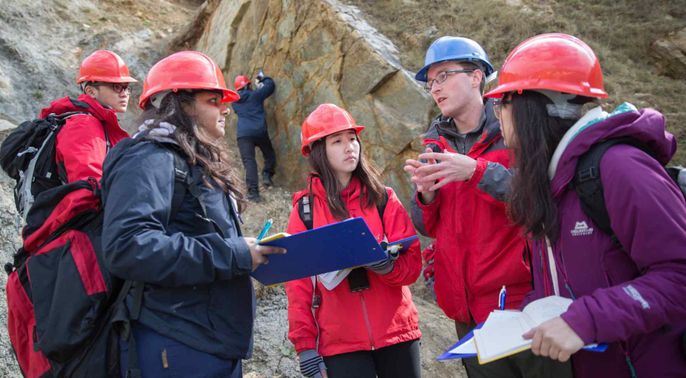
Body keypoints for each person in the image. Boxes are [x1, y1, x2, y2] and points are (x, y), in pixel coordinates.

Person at [484, 33, 686, 377]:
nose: (497, 114)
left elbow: (679, 275)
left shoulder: (619, 167)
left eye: (502, 102)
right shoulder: (549, 181)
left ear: (530, 106)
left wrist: (586, 320)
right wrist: (535, 311)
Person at [101, 51, 285, 377]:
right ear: (181, 103)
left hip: (208, 339)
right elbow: (128, 246)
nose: (225, 107)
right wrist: (234, 253)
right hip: (176, 341)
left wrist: (245, 253)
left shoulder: (191, 159)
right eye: (213, 99)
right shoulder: (150, 156)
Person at [404, 37, 557, 377]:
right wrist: (425, 196)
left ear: (476, 77)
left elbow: (540, 194)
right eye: (431, 82)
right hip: (465, 311)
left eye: (443, 75)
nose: (435, 88)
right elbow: (427, 227)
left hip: (522, 305)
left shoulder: (516, 130)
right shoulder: (434, 144)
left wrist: (475, 171)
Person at [285, 104, 422, 378]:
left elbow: (412, 267)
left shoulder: (383, 199)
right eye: (337, 141)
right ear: (318, 151)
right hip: (340, 345)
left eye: (352, 138)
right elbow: (298, 286)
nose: (350, 147)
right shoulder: (305, 211)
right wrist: (306, 348)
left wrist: (386, 266)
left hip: (397, 334)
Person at [43, 49, 135, 184]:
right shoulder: (83, 125)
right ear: (91, 91)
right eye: (116, 87)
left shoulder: (100, 122)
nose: (124, 93)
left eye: (126, 87)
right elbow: (86, 187)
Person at [232, 71, 277, 202]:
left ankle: (253, 193)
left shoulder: (235, 102)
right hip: (259, 132)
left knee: (249, 163)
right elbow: (270, 86)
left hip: (243, 135)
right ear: (247, 86)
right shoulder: (255, 95)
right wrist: (262, 80)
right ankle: (267, 175)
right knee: (269, 154)